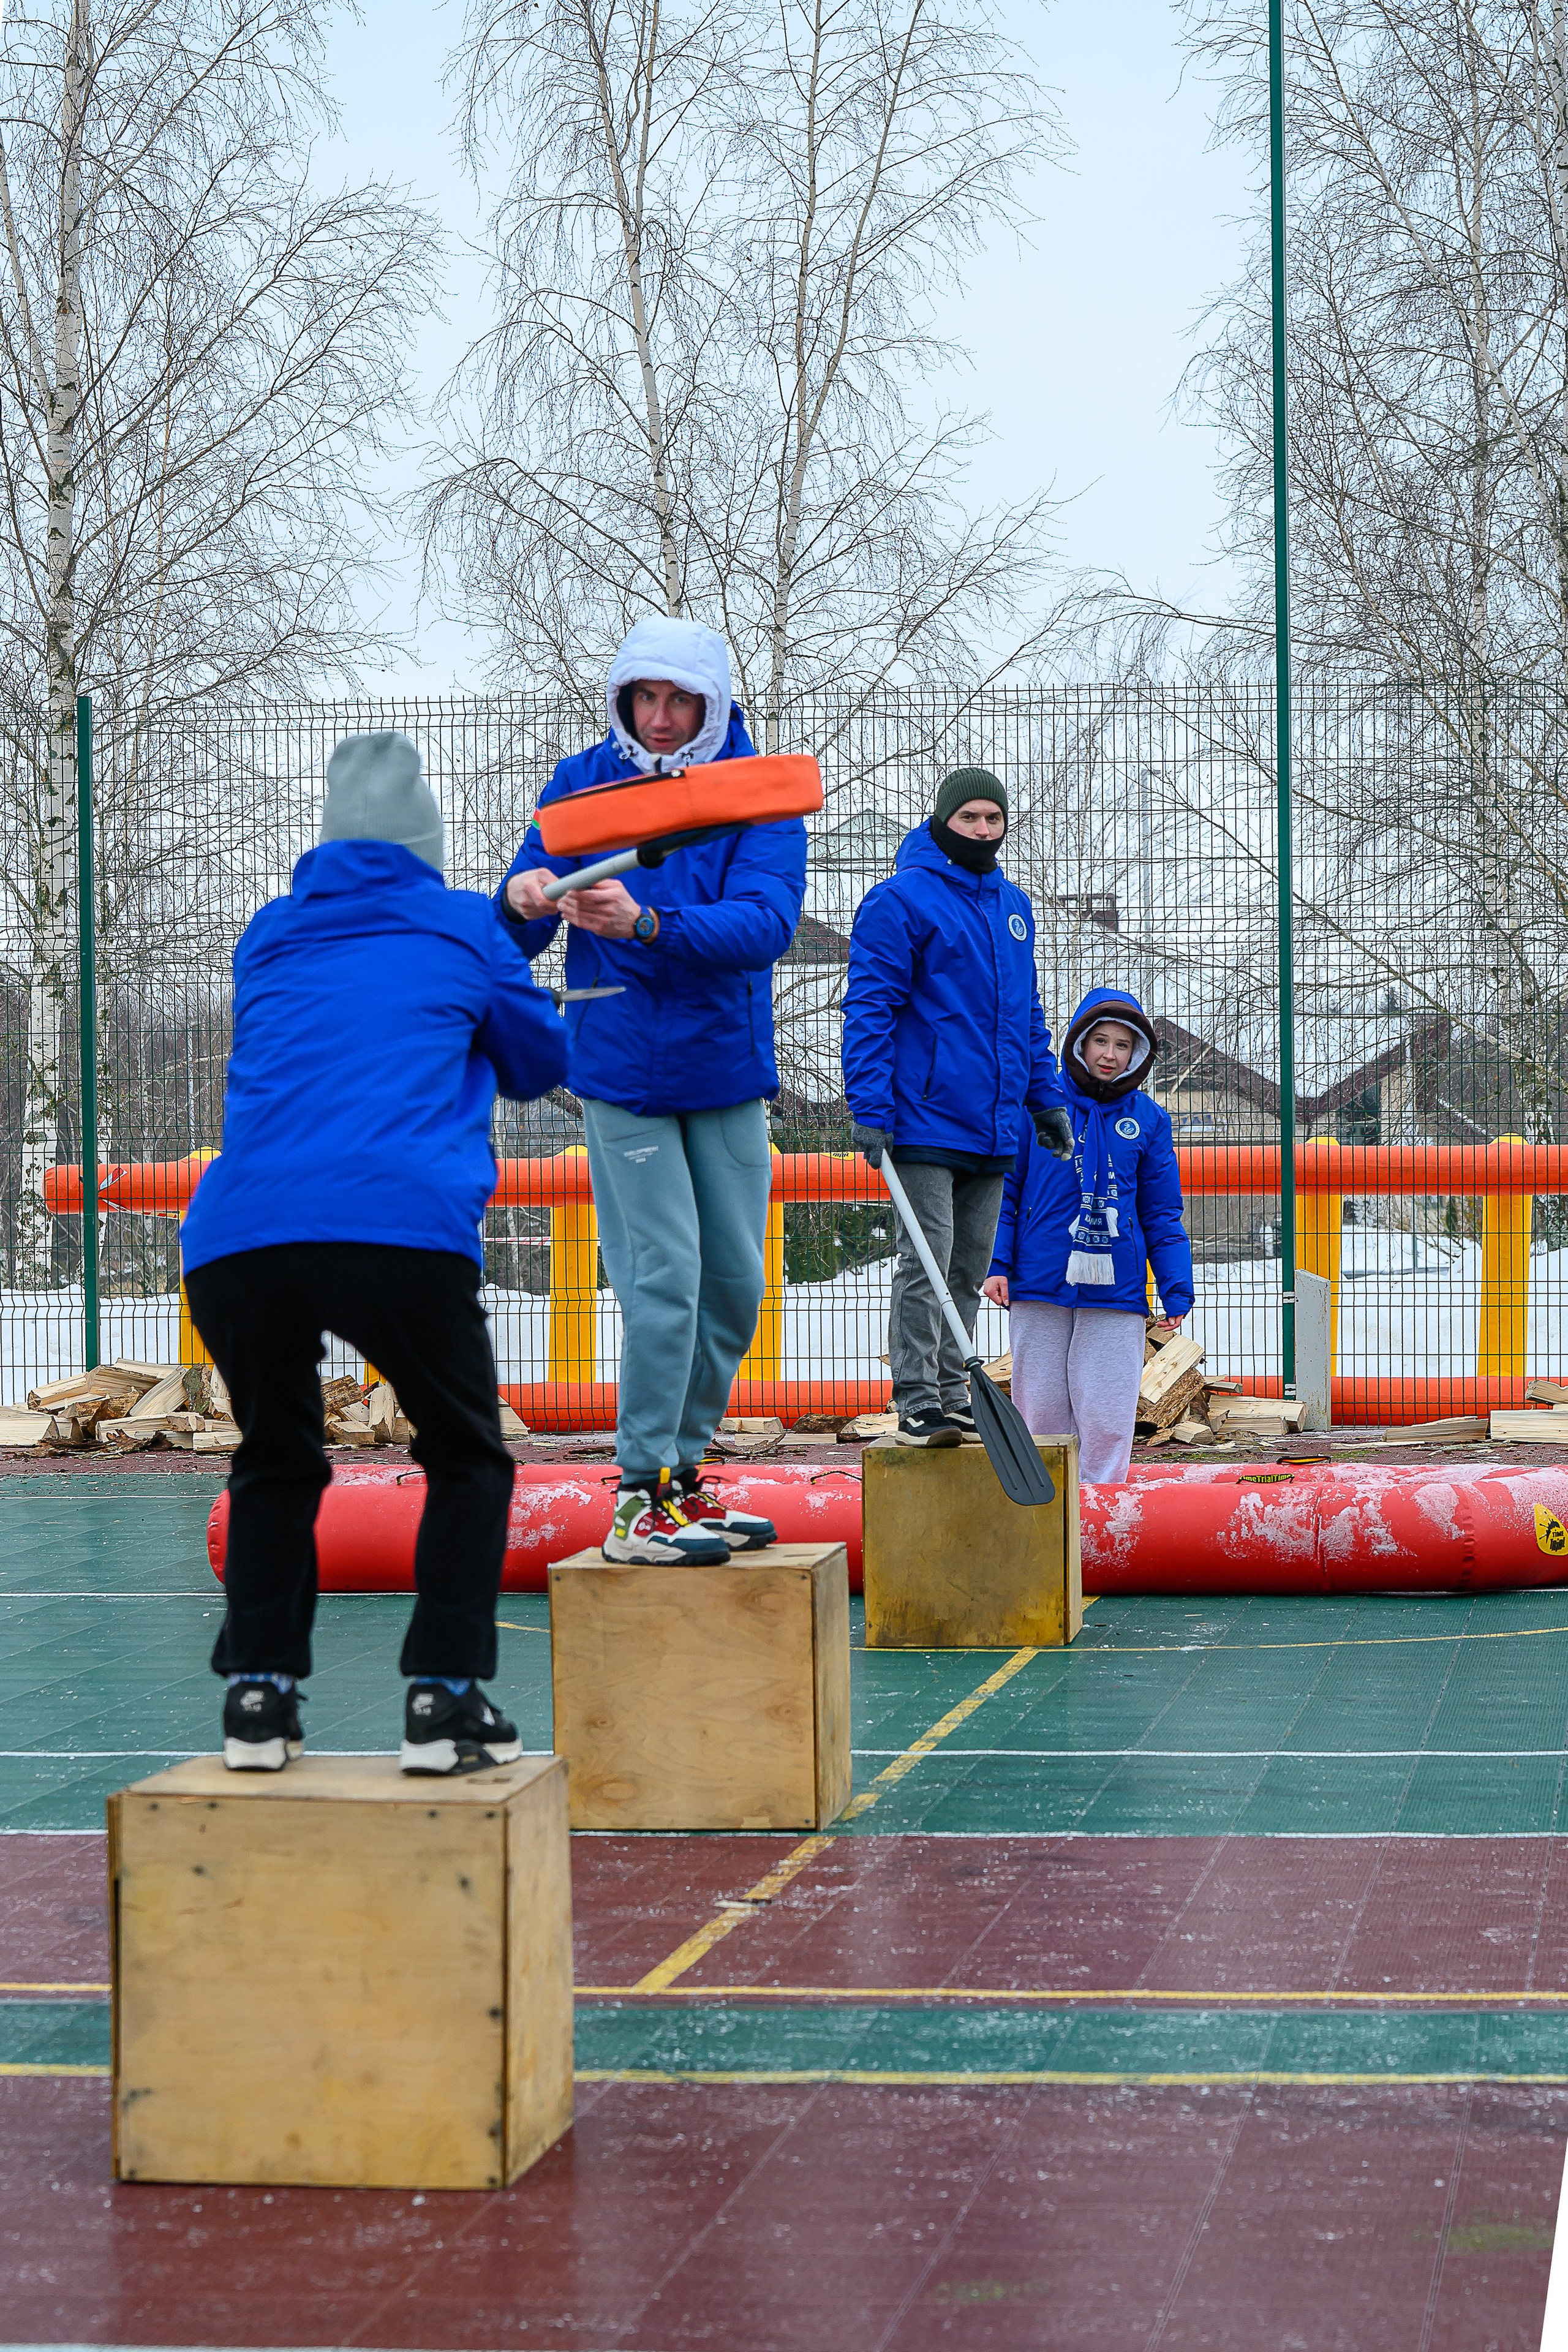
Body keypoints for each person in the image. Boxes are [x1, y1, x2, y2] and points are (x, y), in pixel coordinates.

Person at [180, 731, 569, 1776]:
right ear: (428, 840)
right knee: (466, 1454)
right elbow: (538, 1065)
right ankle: (442, 1700)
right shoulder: (463, 925)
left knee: (277, 1457)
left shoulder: (267, 932)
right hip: (395, 1224)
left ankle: (257, 1697)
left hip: (236, 1236)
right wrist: (519, 971)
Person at [498, 615, 807, 1564]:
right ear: (624, 697)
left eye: (680, 700)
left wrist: (646, 923)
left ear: (711, 704)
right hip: (621, 1070)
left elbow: (765, 924)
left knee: (733, 1288)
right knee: (663, 1282)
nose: (662, 717)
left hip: (724, 1067)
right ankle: (638, 1498)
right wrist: (521, 898)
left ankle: (680, 1479)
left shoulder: (757, 793)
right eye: (647, 697)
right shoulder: (580, 778)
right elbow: (523, 900)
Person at [840, 766, 1073, 1447]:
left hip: (993, 1120)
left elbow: (1024, 1016)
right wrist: (870, 1105)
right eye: (968, 817)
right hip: (921, 1116)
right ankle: (916, 1398)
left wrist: (1045, 1098)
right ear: (943, 820)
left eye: (991, 819)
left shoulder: (1013, 908)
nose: (980, 830)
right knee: (927, 1259)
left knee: (969, 1266)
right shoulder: (899, 901)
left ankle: (948, 1389)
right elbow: (870, 1008)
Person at [981, 988, 1193, 1485]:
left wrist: (1175, 1285)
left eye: (1123, 1046)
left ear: (1137, 1056)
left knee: (1105, 1411)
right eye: (1100, 1041)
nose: (1109, 1054)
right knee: (1043, 1407)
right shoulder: (1034, 1108)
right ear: (1078, 1043)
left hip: (1114, 1288)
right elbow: (1004, 1195)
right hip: (1038, 1279)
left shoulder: (1149, 1120)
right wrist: (996, 1264)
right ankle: (1046, 1509)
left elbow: (1161, 1213)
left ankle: (1102, 1512)